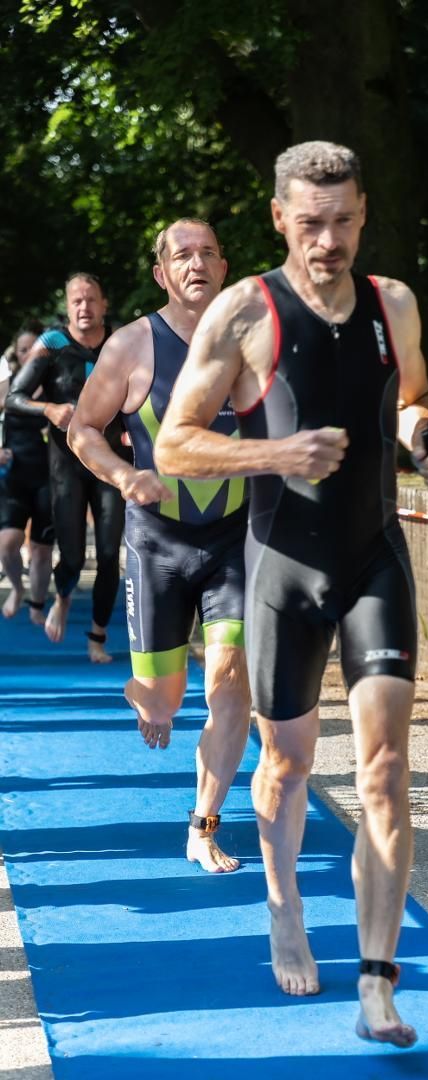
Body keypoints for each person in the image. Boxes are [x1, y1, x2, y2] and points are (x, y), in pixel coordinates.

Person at [154, 143, 428, 1044]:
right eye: (310, 222)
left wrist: (423, 440)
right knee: (286, 765)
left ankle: (376, 980)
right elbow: (174, 444)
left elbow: (410, 395)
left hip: (373, 558)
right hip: (281, 566)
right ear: (280, 219)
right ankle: (283, 903)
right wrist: (273, 454)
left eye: (344, 221)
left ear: (363, 214)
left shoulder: (391, 301)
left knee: (388, 773)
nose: (328, 240)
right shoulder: (245, 311)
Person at [67, 219, 251, 873]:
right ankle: (151, 695)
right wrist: (120, 474)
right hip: (158, 546)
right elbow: (83, 429)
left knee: (230, 681)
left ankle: (202, 823)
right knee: (165, 698)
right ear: (161, 274)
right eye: (182, 255)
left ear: (223, 268)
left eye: (207, 252)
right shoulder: (131, 346)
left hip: (234, 541)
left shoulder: (256, 344)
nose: (195, 263)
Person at [5, 274, 128, 662]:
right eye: (76, 301)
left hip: (111, 463)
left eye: (91, 300)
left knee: (109, 554)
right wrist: (51, 409)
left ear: (104, 304)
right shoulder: (53, 344)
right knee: (72, 555)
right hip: (66, 464)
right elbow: (14, 398)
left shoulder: (123, 341)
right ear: (67, 306)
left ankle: (97, 636)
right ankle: (61, 596)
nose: (84, 308)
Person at [0, 322, 55, 622]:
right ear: (17, 354)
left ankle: (36, 603)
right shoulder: (7, 387)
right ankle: (17, 588)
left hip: (48, 476)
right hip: (14, 476)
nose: (29, 355)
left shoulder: (55, 386)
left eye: (34, 349)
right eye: (23, 350)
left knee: (42, 550)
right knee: (7, 543)